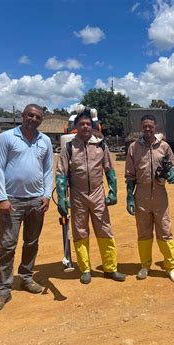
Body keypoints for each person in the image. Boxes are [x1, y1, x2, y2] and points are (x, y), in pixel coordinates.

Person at [0, 104, 53, 313]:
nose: (33, 119)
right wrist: (2, 198)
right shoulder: (6, 138)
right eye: (30, 115)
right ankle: (3, 288)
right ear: (22, 115)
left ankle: (26, 278)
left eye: (37, 117)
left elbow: (48, 169)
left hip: (36, 201)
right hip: (12, 201)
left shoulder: (44, 141)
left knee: (32, 242)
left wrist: (46, 195)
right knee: (8, 245)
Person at [55, 108, 125, 284]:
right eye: (81, 124)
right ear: (75, 127)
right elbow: (61, 174)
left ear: (92, 126)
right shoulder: (69, 147)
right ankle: (85, 269)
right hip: (78, 196)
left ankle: (110, 268)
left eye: (88, 124)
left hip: (98, 194)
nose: (85, 126)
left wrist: (113, 191)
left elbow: (109, 170)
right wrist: (62, 198)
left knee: (105, 231)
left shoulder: (101, 145)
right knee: (80, 231)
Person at [125, 114, 174, 283]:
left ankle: (170, 267)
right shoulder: (134, 148)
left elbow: (173, 165)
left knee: (165, 231)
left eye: (150, 126)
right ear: (141, 128)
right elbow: (130, 175)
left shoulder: (164, 146)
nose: (148, 129)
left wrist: (173, 173)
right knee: (144, 233)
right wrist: (129, 197)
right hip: (141, 195)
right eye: (145, 126)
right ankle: (145, 265)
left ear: (155, 127)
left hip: (160, 195)